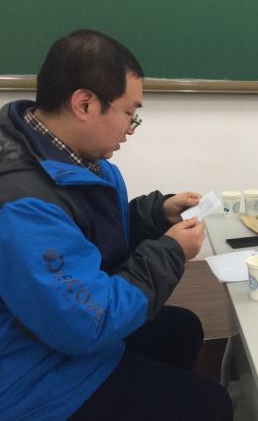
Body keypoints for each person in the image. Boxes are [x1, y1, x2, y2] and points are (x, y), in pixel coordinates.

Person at [0, 30, 232, 420]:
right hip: (36, 378)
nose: (131, 128)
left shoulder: (72, 158)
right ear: (85, 103)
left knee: (182, 328)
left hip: (61, 335)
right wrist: (171, 252)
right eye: (130, 113)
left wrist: (156, 214)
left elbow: (80, 238)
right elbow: (88, 323)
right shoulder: (20, 204)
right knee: (212, 404)